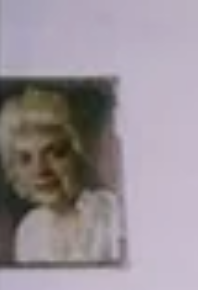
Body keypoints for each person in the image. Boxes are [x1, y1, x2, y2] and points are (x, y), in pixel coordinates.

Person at [0, 85, 123, 265]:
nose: (40, 170)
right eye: (25, 159)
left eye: (56, 153)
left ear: (78, 154)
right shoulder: (29, 231)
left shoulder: (110, 213)